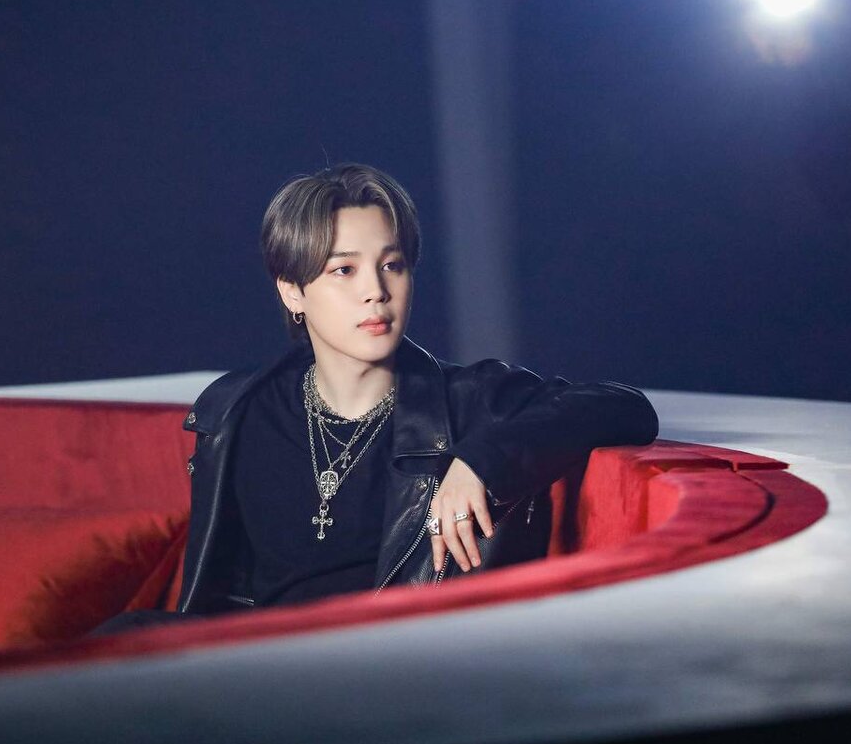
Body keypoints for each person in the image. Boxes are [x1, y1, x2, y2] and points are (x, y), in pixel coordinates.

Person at [91, 163, 657, 634]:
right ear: (293, 291)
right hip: (254, 666)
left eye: (392, 265)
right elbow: (219, 594)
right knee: (114, 642)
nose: (376, 291)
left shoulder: (468, 400)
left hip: (386, 667)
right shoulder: (237, 411)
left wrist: (482, 460)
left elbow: (623, 405)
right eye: (344, 269)